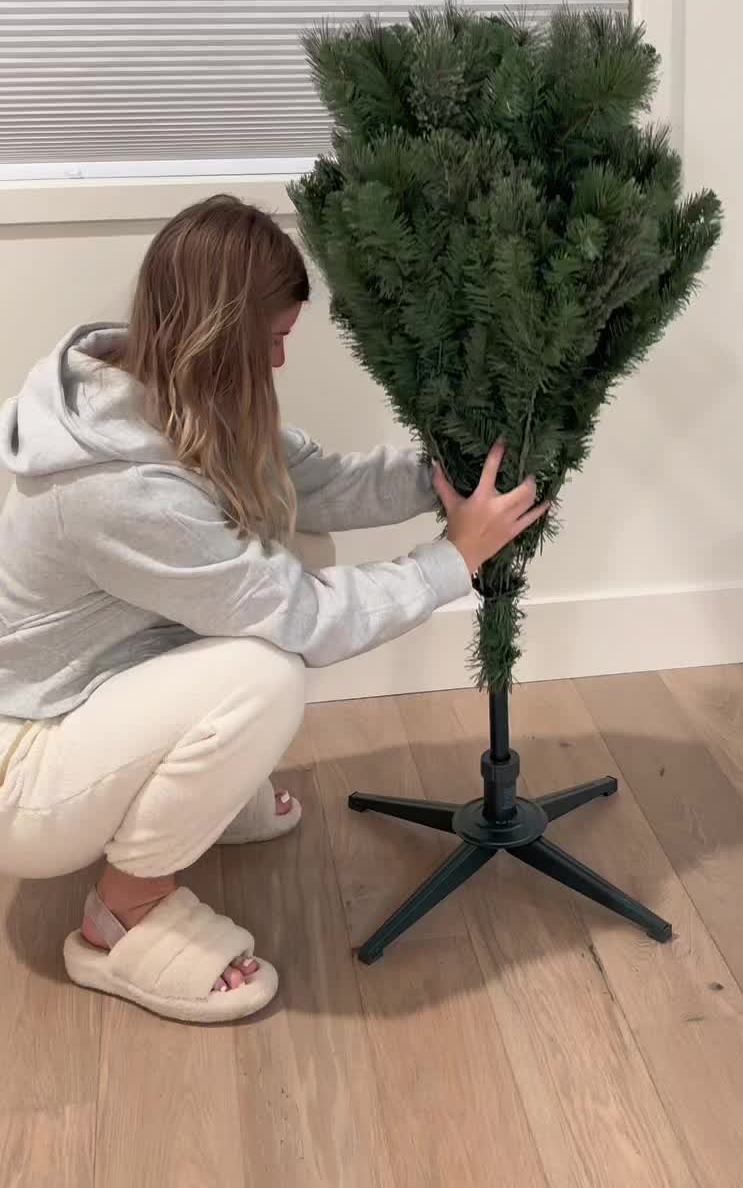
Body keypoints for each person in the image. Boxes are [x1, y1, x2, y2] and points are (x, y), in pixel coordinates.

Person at [0, 195, 544, 1023]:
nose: (282, 361)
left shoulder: (158, 392)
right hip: (23, 767)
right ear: (221, 337)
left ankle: (185, 802)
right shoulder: (114, 489)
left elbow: (314, 486)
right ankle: (124, 915)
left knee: (295, 543)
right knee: (264, 674)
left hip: (79, 692)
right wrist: (453, 561)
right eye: (275, 339)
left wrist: (445, 473)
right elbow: (304, 619)